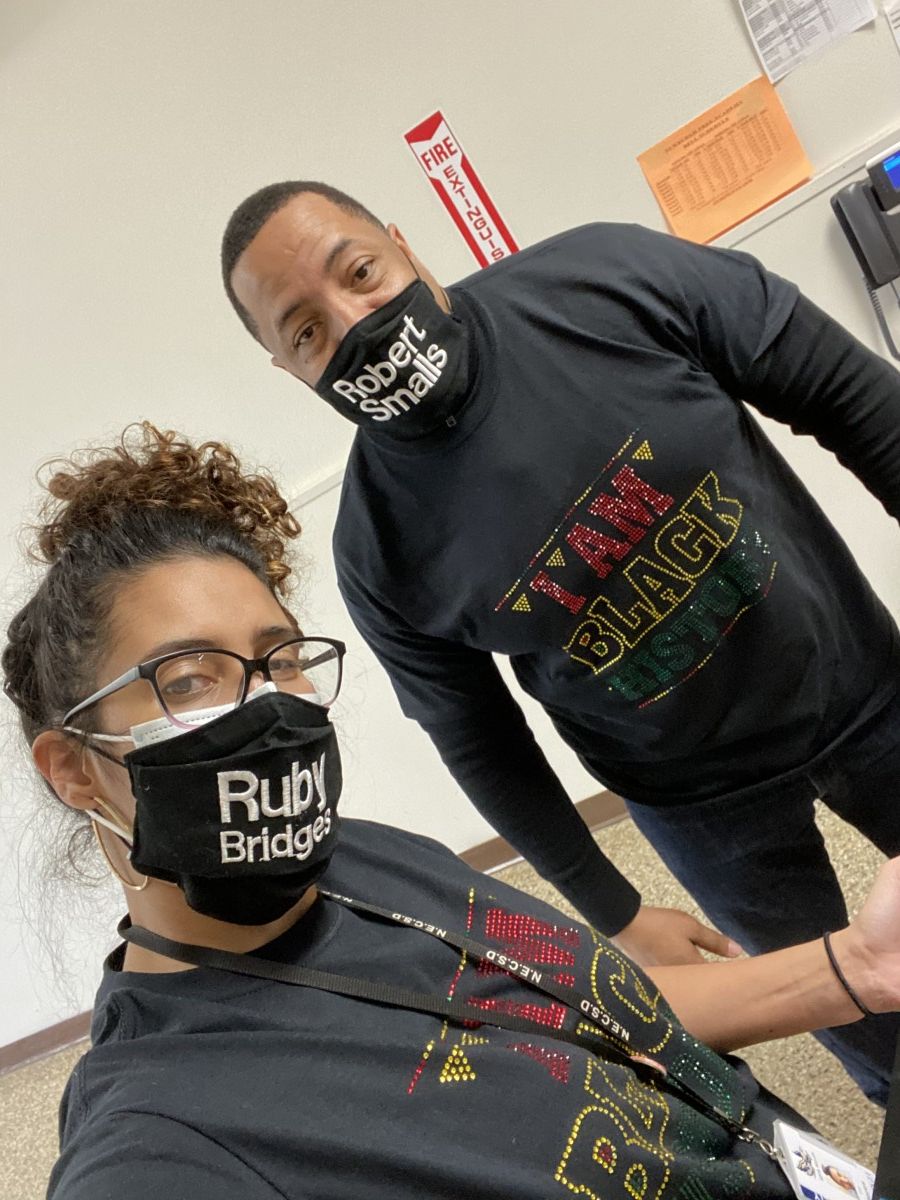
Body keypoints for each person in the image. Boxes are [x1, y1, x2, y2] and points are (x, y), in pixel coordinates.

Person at [6, 423, 900, 1200]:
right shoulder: (162, 1137)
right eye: (190, 677)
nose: (265, 703)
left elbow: (592, 1008)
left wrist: (859, 967)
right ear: (75, 769)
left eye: (278, 658)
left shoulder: (369, 857)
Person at [220, 180, 900, 1103]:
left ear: (402, 244)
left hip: (864, 688)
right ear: (285, 367)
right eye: (305, 330)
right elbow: (479, 741)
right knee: (865, 1020)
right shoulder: (379, 550)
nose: (353, 323)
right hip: (699, 801)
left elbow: (853, 399)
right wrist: (612, 910)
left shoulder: (608, 278)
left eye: (360, 272)